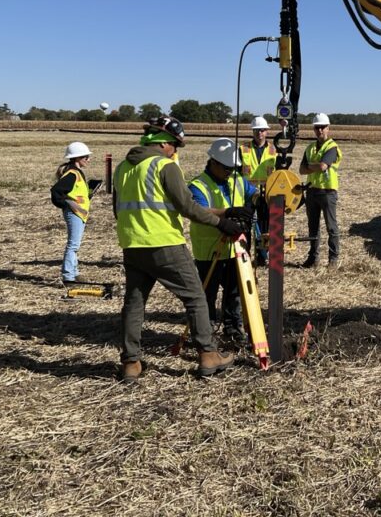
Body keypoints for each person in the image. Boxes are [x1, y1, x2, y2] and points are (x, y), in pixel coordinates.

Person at [112, 116, 242, 382]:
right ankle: (207, 355)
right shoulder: (165, 166)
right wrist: (221, 223)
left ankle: (130, 363)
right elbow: (188, 208)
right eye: (175, 146)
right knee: (196, 297)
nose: (175, 151)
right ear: (165, 143)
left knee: (134, 304)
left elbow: (118, 209)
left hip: (132, 245)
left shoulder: (123, 167)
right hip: (165, 244)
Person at [189, 137, 257, 347]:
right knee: (207, 296)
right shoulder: (198, 185)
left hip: (235, 249)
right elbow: (199, 212)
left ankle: (233, 329)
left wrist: (258, 201)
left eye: (233, 168)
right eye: (227, 168)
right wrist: (227, 213)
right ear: (213, 162)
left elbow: (253, 193)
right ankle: (205, 333)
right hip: (209, 251)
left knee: (234, 293)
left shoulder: (237, 180)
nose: (230, 172)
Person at [300, 113, 342, 268]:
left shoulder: (332, 147)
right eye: (317, 127)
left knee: (331, 227)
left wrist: (311, 166)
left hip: (328, 192)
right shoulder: (310, 148)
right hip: (312, 192)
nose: (319, 130)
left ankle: (333, 259)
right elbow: (301, 170)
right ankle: (313, 258)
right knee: (313, 227)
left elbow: (323, 166)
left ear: (328, 128)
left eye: (322, 127)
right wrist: (315, 166)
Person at [50, 142, 97, 284]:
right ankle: (69, 276)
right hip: (74, 213)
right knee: (73, 245)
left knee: (75, 245)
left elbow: (76, 193)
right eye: (86, 157)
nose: (88, 159)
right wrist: (66, 204)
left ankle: (74, 273)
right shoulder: (72, 174)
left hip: (79, 212)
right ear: (77, 158)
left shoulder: (76, 173)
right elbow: (56, 191)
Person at [240, 115, 277, 264]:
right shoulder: (243, 149)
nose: (259, 133)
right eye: (256, 130)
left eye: (262, 130)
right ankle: (246, 256)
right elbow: (237, 173)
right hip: (248, 194)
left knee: (264, 225)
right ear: (252, 131)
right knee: (246, 225)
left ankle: (262, 257)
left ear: (267, 131)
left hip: (266, 194)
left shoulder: (274, 150)